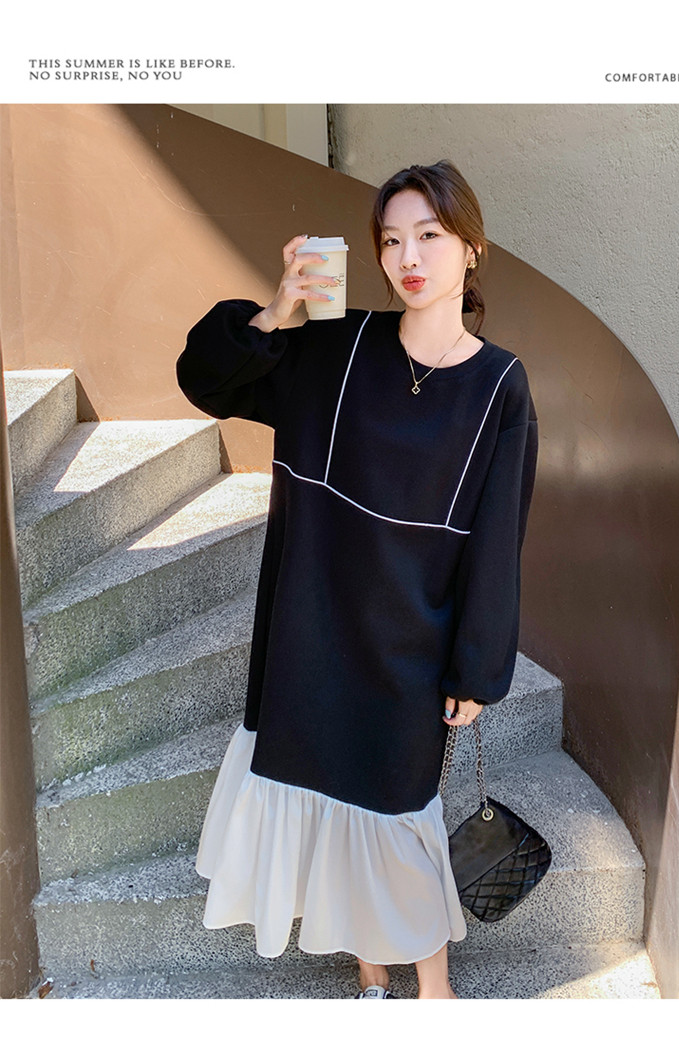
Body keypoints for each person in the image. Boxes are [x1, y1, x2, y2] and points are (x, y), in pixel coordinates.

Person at [175, 160, 538, 1000]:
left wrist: (477, 668)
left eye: (430, 235)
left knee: (399, 816)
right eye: (392, 240)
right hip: (310, 626)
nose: (409, 256)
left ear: (472, 248)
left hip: (409, 644)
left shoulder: (500, 385)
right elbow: (204, 380)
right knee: (327, 815)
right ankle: (372, 973)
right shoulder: (336, 346)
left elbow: (498, 538)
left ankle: (434, 990)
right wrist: (275, 313)